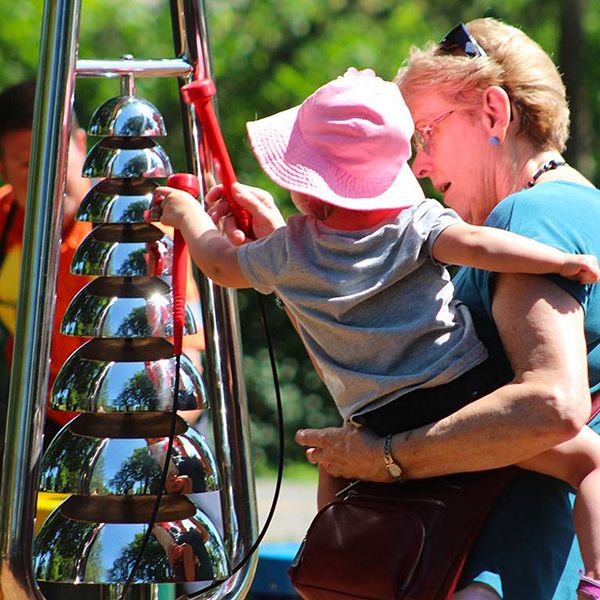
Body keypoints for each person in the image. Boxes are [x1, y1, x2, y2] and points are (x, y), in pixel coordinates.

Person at [155, 58, 600, 599]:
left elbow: (222, 264)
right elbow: (481, 247)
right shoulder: (417, 225)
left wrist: (188, 216)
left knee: (339, 472)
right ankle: (596, 580)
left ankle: (335, 572)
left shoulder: (290, 251)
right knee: (591, 465)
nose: (425, 163)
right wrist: (556, 262)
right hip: (457, 396)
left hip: (371, 415)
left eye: (430, 133)